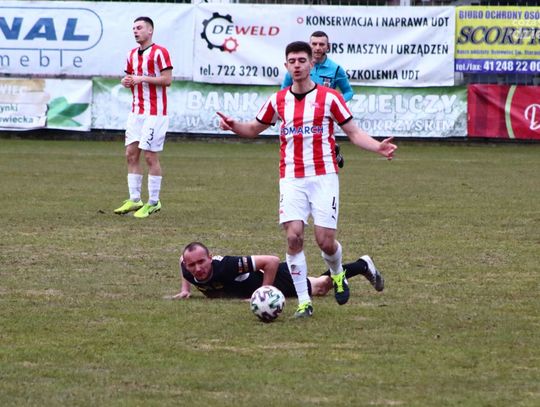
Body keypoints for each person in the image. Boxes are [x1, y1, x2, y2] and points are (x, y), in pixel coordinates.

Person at [217, 41, 396, 318]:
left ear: (311, 64)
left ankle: (338, 273)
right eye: (292, 61)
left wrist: (378, 147)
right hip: (291, 177)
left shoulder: (330, 98)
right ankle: (304, 301)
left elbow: (354, 133)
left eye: (302, 60)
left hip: (323, 176)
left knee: (325, 241)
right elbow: (252, 128)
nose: (297, 65)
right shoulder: (278, 100)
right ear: (286, 65)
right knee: (293, 237)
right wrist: (233, 126)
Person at [173, 241, 384, 300]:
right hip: (260, 283)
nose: (197, 268)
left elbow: (271, 261)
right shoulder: (187, 267)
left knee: (321, 287)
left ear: (210, 257)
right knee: (320, 284)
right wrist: (185, 290)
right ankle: (360, 266)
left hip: (277, 277)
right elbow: (181, 261)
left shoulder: (228, 266)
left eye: (201, 262)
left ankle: (362, 265)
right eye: (192, 265)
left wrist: (264, 292)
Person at [114, 16, 173, 218]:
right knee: (131, 154)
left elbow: (167, 80)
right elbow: (131, 78)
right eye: (133, 28)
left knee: (149, 156)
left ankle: (154, 202)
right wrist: (126, 81)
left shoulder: (160, 52)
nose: (135, 31)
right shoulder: (131, 54)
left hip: (155, 113)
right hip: (136, 112)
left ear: (150, 31)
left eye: (139, 28)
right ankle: (135, 199)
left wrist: (142, 78)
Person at [281, 31, 353, 169]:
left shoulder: (336, 69)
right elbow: (283, 91)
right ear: (309, 46)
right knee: (301, 144)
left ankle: (330, 159)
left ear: (328, 47)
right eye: (314, 44)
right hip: (300, 112)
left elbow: (348, 92)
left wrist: (336, 104)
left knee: (321, 142)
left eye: (321, 44)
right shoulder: (298, 67)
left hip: (323, 113)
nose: (317, 48)